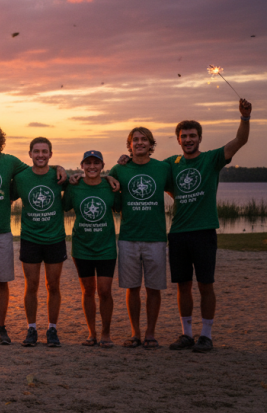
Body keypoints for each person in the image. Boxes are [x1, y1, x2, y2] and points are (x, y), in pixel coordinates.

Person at [0, 123, 66, 345]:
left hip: (2, 233)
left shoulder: (10, 162)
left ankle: (1, 328)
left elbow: (37, 168)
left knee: (2, 282)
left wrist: (59, 167)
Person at [165, 99, 252, 353]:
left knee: (205, 285)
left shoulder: (212, 159)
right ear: (178, 140)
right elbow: (150, 174)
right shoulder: (171, 163)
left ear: (200, 138)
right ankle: (186, 334)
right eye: (184, 136)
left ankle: (206, 335)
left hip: (204, 232)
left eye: (193, 135)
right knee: (183, 285)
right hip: (178, 233)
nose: (189, 140)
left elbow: (240, 141)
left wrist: (244, 118)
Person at [108, 127, 172, 349]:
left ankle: (150, 333)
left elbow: (175, 190)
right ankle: (135, 333)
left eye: (144, 139)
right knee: (132, 288)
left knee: (153, 288)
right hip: (128, 237)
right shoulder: (119, 169)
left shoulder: (163, 168)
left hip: (155, 237)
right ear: (129, 144)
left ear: (151, 144)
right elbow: (106, 186)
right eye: (135, 140)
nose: (140, 143)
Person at [12, 137, 67, 348]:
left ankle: (52, 329)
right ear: (30, 154)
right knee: (31, 286)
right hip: (30, 238)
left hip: (55, 239)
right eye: (36, 151)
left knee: (53, 285)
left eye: (45, 151)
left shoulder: (59, 175)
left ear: (51, 154)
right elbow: (4, 196)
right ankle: (32, 328)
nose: (41, 155)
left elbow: (82, 181)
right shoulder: (21, 178)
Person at [64, 150, 122, 348]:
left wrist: (113, 179)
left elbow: (121, 207)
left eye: (96, 163)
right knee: (88, 291)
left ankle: (106, 333)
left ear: (102, 166)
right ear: (82, 166)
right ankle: (91, 333)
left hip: (106, 246)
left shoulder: (110, 186)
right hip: (82, 246)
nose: (92, 167)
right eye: (87, 163)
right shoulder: (75, 187)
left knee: (104, 290)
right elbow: (63, 207)